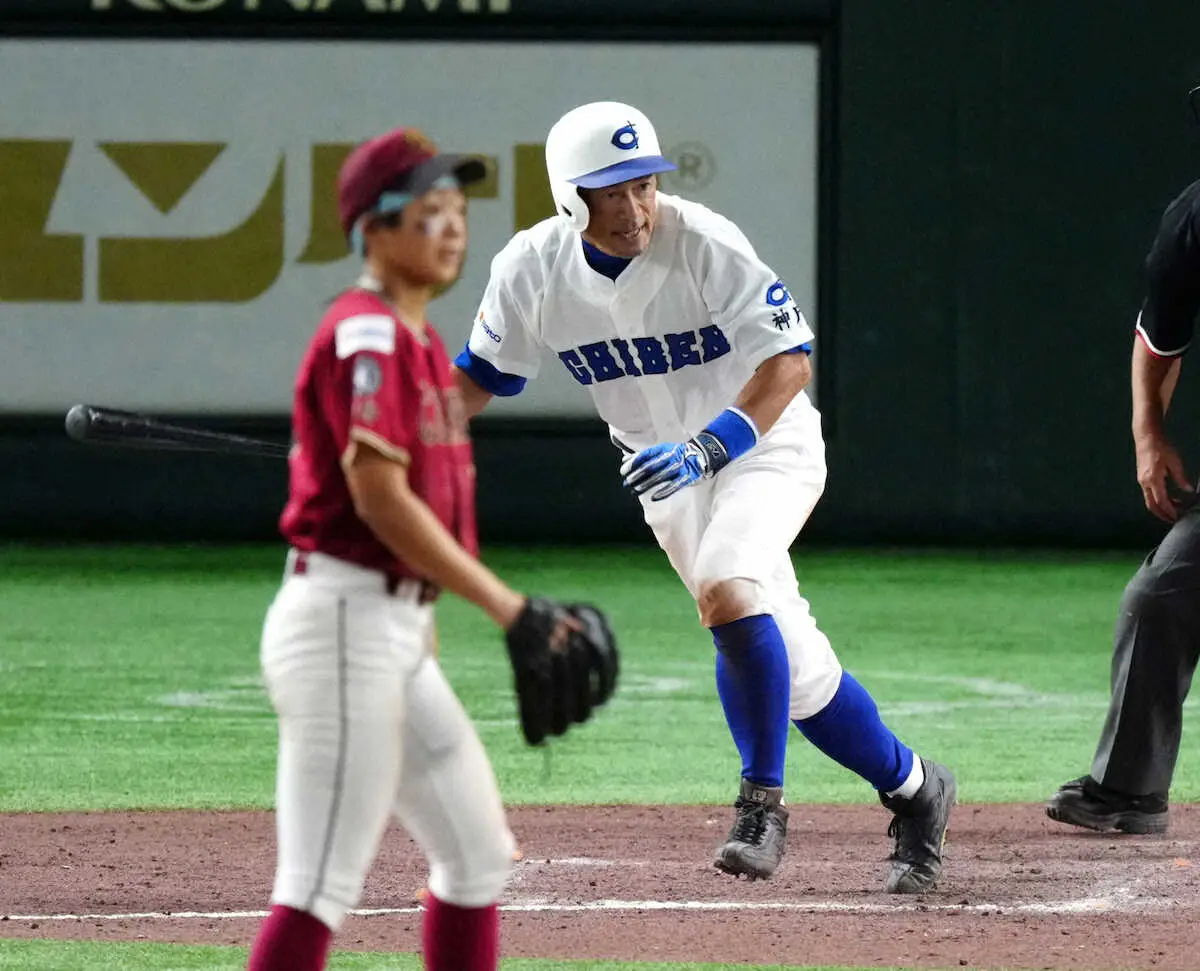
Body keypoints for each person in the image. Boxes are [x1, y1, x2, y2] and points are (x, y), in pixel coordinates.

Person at [452, 101, 956, 892]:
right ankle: (917, 788)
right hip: (665, 480)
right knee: (793, 670)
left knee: (726, 586)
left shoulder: (705, 242)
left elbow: (790, 363)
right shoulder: (530, 268)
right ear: (568, 198)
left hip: (763, 445)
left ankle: (761, 807)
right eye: (609, 192)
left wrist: (709, 446)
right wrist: (381, 441)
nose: (633, 209)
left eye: (643, 185)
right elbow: (477, 383)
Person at [245, 126, 617, 971]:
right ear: (372, 230)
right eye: (427, 211)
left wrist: (428, 622)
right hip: (342, 628)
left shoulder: (413, 344)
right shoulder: (367, 335)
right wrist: (506, 604)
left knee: (478, 854)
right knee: (316, 886)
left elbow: (396, 491)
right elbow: (378, 496)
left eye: (457, 210)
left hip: (391, 635)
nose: (451, 227)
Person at [1046, 175, 1200, 836]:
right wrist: (1149, 434)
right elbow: (1160, 336)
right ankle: (1128, 791)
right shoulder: (1195, 219)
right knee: (1161, 596)